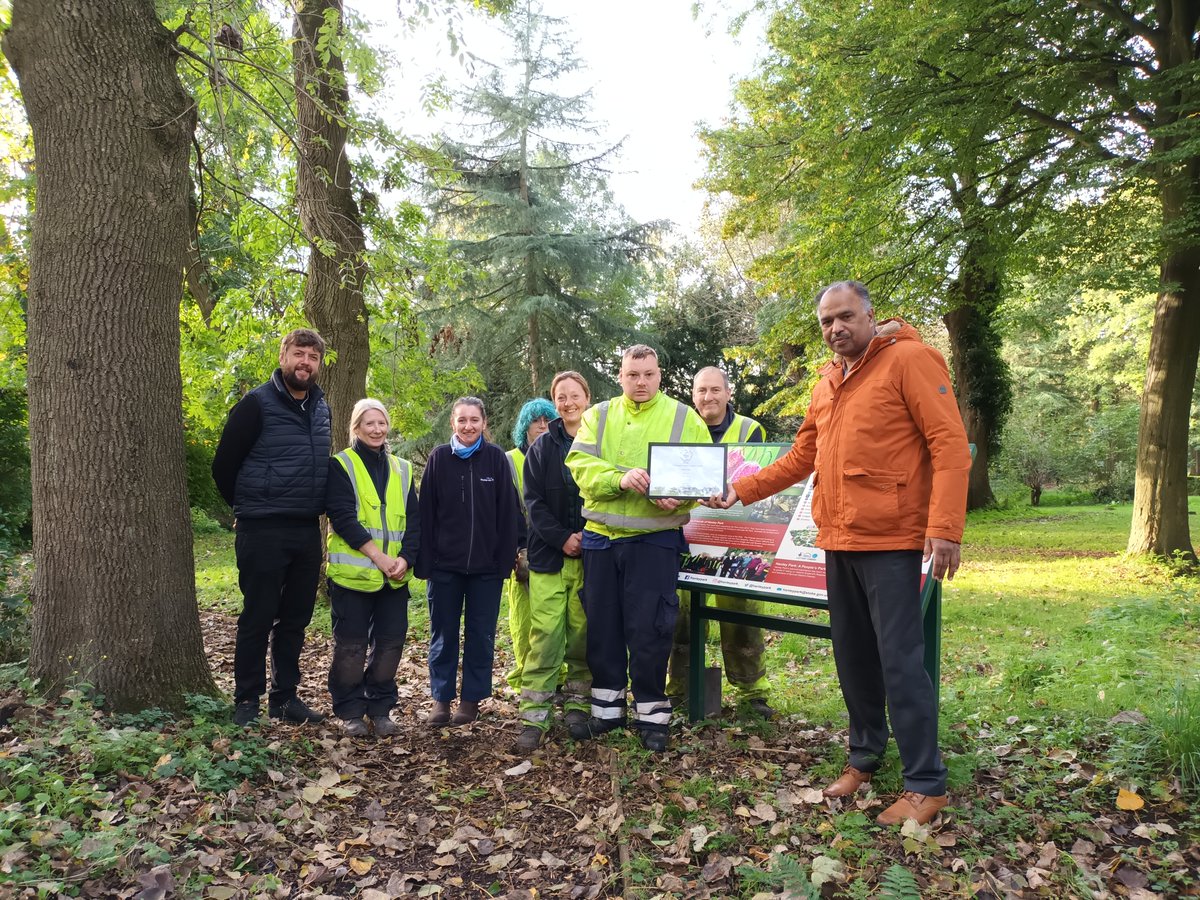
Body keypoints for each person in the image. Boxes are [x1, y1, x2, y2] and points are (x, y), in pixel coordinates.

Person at [708, 281, 970, 826]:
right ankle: (864, 757)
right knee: (852, 656)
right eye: (827, 321)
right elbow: (803, 454)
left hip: (893, 539)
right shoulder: (828, 380)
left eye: (845, 317)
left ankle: (926, 783)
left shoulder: (911, 360)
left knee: (900, 661)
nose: (836, 328)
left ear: (870, 316)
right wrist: (743, 489)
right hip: (838, 537)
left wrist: (945, 528)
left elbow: (948, 444)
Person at [565, 345, 711, 752]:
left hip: (654, 541)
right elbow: (579, 466)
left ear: (659, 375)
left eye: (648, 374)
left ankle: (653, 718)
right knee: (603, 628)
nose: (640, 382)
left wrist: (680, 498)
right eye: (632, 374)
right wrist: (620, 478)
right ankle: (607, 712)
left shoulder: (684, 418)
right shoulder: (598, 416)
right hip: (600, 539)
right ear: (620, 376)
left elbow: (700, 476)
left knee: (650, 629)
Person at [211, 328, 331, 727]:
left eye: (313, 357)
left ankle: (284, 698)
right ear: (283, 356)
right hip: (261, 529)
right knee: (258, 617)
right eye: (299, 354)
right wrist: (246, 507)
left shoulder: (321, 408)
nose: (305, 363)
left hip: (306, 529)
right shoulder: (255, 404)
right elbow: (223, 465)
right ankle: (247, 700)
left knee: (295, 619)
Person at [667, 366, 774, 718]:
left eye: (715, 390)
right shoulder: (680, 428)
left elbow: (758, 478)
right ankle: (680, 689)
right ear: (692, 395)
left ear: (729, 393)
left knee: (741, 612)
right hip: (689, 534)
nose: (708, 397)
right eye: (701, 391)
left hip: (736, 535)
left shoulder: (749, 429)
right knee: (681, 617)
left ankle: (752, 693)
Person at [416, 397, 523, 726]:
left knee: (481, 636)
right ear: (453, 423)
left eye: (474, 420)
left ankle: (471, 700)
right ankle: (441, 700)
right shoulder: (439, 458)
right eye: (462, 420)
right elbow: (425, 513)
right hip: (444, 568)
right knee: (443, 635)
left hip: (486, 570)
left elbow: (509, 513)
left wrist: (505, 561)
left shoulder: (495, 459)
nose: (468, 426)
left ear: (484, 423)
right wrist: (426, 562)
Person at [325, 399, 420, 738]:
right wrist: (379, 558)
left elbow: (415, 522)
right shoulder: (341, 465)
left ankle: (380, 709)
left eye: (381, 423)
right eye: (369, 423)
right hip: (353, 577)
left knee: (390, 646)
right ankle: (350, 710)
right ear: (356, 428)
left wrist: (405, 559)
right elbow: (343, 518)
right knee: (350, 648)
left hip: (394, 578)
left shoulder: (403, 469)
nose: (377, 429)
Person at [515, 372, 593, 751]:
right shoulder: (541, 448)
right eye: (561, 397)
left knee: (582, 634)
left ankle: (578, 705)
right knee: (545, 636)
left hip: (592, 556)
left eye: (574, 395)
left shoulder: (599, 442)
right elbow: (534, 503)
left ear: (587, 398)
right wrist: (563, 538)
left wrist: (586, 537)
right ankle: (534, 716)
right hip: (549, 556)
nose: (568, 403)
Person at [504, 398, 559, 695]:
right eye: (535, 420)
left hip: (553, 546)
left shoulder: (561, 453)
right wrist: (516, 548)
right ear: (524, 425)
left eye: (547, 419)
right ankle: (526, 677)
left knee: (554, 618)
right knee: (524, 619)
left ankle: (557, 677)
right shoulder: (509, 459)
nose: (541, 425)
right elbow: (505, 508)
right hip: (521, 550)